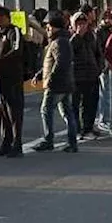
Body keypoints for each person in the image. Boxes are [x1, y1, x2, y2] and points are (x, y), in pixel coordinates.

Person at [34, 11, 78, 153]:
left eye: (48, 26)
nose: (47, 29)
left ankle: (48, 140)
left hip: (57, 84)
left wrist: (51, 79)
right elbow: (51, 62)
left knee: (46, 110)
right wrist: (40, 75)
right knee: (67, 112)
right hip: (64, 83)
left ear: (54, 27)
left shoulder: (60, 42)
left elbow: (61, 63)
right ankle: (72, 143)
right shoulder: (59, 41)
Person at [0, 7, 25, 158]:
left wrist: (0, 62)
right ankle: (6, 142)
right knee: (1, 111)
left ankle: (17, 145)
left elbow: (17, 50)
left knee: (14, 113)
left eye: (1, 16)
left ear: (7, 17)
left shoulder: (13, 31)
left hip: (12, 78)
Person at [70, 12, 102, 139]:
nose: (81, 26)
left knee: (90, 104)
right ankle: (77, 130)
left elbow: (98, 53)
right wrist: (78, 36)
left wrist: (99, 68)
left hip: (91, 75)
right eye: (78, 23)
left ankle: (88, 128)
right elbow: (70, 52)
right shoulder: (71, 38)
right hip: (77, 76)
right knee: (75, 105)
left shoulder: (92, 37)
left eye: (83, 23)